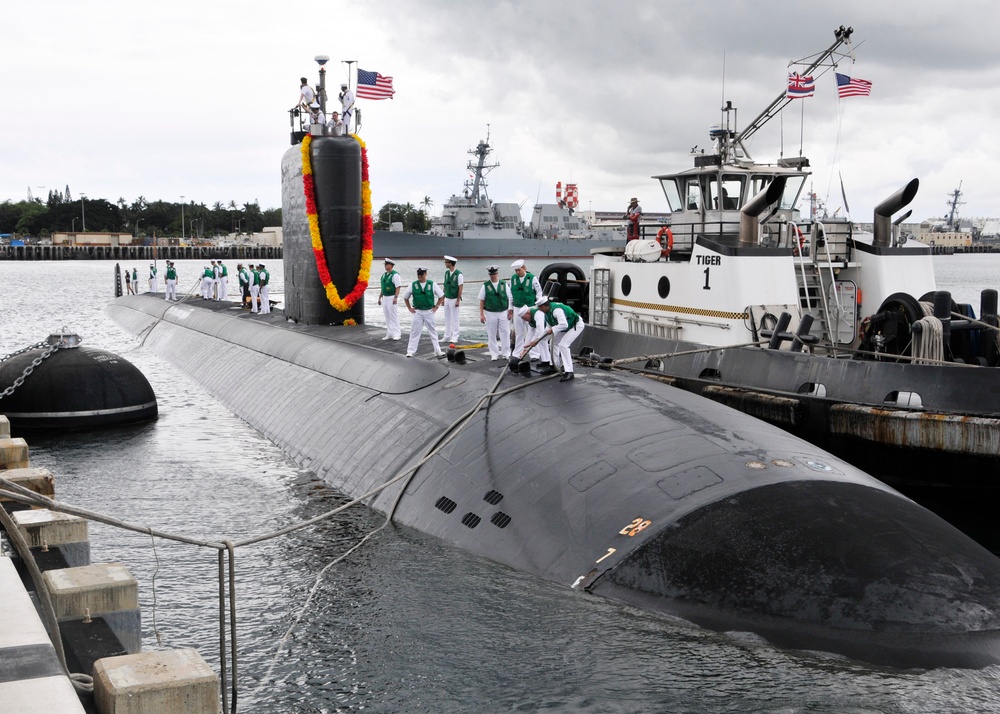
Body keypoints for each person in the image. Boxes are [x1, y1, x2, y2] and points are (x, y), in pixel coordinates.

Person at [535, 296, 585, 381]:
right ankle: (554, 366)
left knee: (563, 345)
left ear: (544, 306)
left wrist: (553, 329)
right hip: (565, 327)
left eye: (540, 307)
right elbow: (548, 329)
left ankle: (569, 371)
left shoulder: (556, 310)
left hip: (575, 325)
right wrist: (536, 340)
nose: (539, 310)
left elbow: (563, 324)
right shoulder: (547, 313)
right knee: (553, 342)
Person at [401, 267, 444, 358]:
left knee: (433, 331)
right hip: (418, 311)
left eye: (422, 275)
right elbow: (405, 297)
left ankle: (438, 351)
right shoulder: (413, 285)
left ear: (426, 274)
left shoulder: (432, 284)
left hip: (429, 311)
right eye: (418, 275)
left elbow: (441, 296)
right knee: (414, 332)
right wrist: (409, 308)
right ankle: (410, 351)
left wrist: (436, 306)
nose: (420, 277)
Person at [509, 259, 542, 360]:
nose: (517, 272)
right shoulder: (513, 279)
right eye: (516, 271)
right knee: (519, 332)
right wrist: (510, 308)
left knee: (531, 330)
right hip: (517, 307)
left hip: (529, 308)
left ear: (524, 268)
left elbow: (539, 292)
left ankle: (534, 354)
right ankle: (518, 353)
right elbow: (510, 294)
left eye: (519, 270)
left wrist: (538, 307)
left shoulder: (532, 278)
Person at [478, 265, 512, 360]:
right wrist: (481, 314)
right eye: (491, 274)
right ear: (489, 275)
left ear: (497, 273)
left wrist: (510, 311)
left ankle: (506, 352)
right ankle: (494, 353)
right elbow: (481, 300)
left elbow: (510, 298)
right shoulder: (485, 286)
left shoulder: (503, 284)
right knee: (491, 333)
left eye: (494, 274)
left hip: (503, 311)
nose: (493, 276)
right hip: (490, 312)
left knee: (505, 332)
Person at [520, 306, 553, 373]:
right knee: (542, 341)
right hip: (547, 328)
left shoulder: (538, 314)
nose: (524, 320)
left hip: (553, 326)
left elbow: (539, 330)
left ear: (528, 313)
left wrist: (533, 341)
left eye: (524, 318)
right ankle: (546, 361)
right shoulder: (530, 318)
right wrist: (525, 349)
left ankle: (550, 363)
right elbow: (530, 332)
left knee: (544, 341)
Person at [441, 255, 464, 344]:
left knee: (455, 318)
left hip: (454, 299)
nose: (445, 264)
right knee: (447, 318)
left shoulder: (459, 274)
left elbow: (460, 287)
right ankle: (447, 335)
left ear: (451, 263)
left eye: (446, 262)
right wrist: (442, 298)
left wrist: (458, 300)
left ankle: (455, 336)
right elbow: (445, 286)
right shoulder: (446, 273)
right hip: (447, 298)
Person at [378, 258, 402, 340]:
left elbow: (398, 287)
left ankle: (397, 333)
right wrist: (380, 297)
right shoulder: (384, 275)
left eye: (387, 264)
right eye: (385, 264)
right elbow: (383, 287)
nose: (385, 266)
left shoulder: (395, 275)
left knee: (393, 316)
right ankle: (390, 332)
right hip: (385, 297)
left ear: (391, 265)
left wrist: (395, 297)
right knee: (387, 316)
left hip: (392, 297)